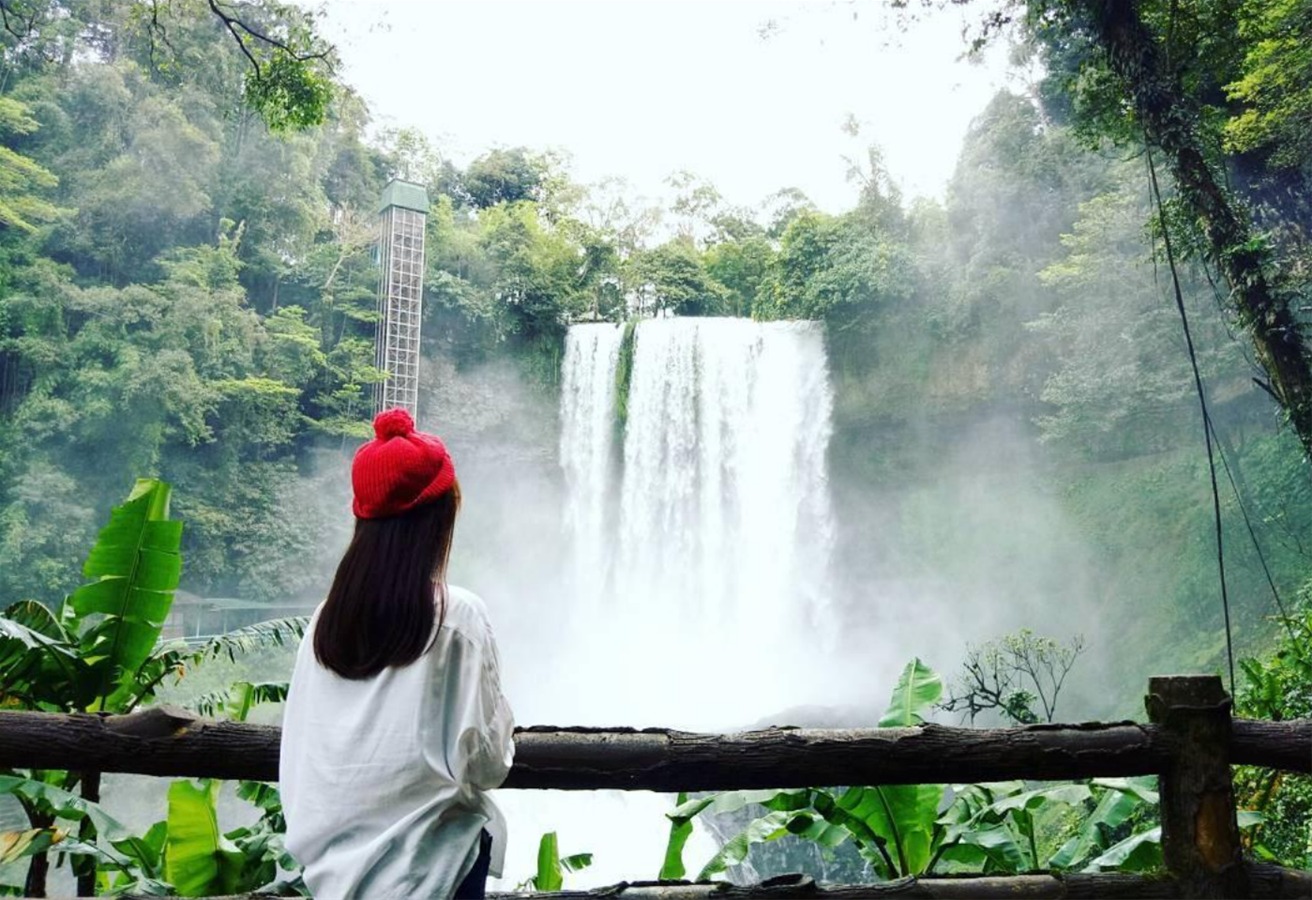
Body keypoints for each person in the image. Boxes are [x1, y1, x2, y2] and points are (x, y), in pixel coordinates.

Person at [281, 407, 515, 899]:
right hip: (432, 875)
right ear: (439, 518)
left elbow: (301, 758)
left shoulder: (325, 622)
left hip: (331, 880)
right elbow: (489, 763)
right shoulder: (458, 617)